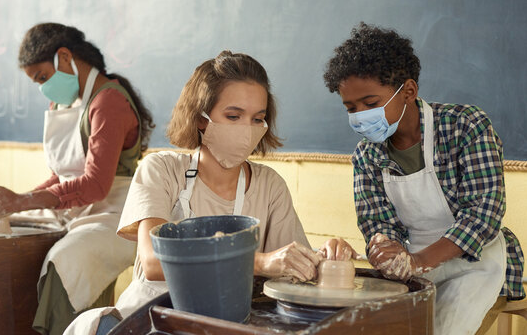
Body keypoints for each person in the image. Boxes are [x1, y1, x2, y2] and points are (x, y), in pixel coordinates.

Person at [64, 50, 357, 335]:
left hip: (226, 325)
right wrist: (259, 262)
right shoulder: (161, 170)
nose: (247, 129)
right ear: (201, 118)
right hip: (150, 319)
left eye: (258, 119)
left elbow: (290, 273)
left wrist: (324, 257)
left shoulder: (270, 186)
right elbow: (154, 262)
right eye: (233, 116)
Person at [322, 22, 525, 335]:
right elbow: (378, 222)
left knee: (441, 329)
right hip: (412, 264)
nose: (360, 115)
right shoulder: (366, 155)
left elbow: (484, 214)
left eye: (371, 104)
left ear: (408, 91)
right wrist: (383, 245)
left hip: (475, 263)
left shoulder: (465, 126)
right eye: (350, 108)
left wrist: (419, 261)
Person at [0, 23, 155, 335]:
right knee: (9, 237)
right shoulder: (63, 103)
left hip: (116, 214)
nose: (42, 88)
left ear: (64, 57)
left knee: (65, 261)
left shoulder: (108, 101)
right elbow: (59, 176)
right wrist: (14, 203)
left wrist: (21, 201)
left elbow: (94, 185)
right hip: (74, 205)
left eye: (42, 78)